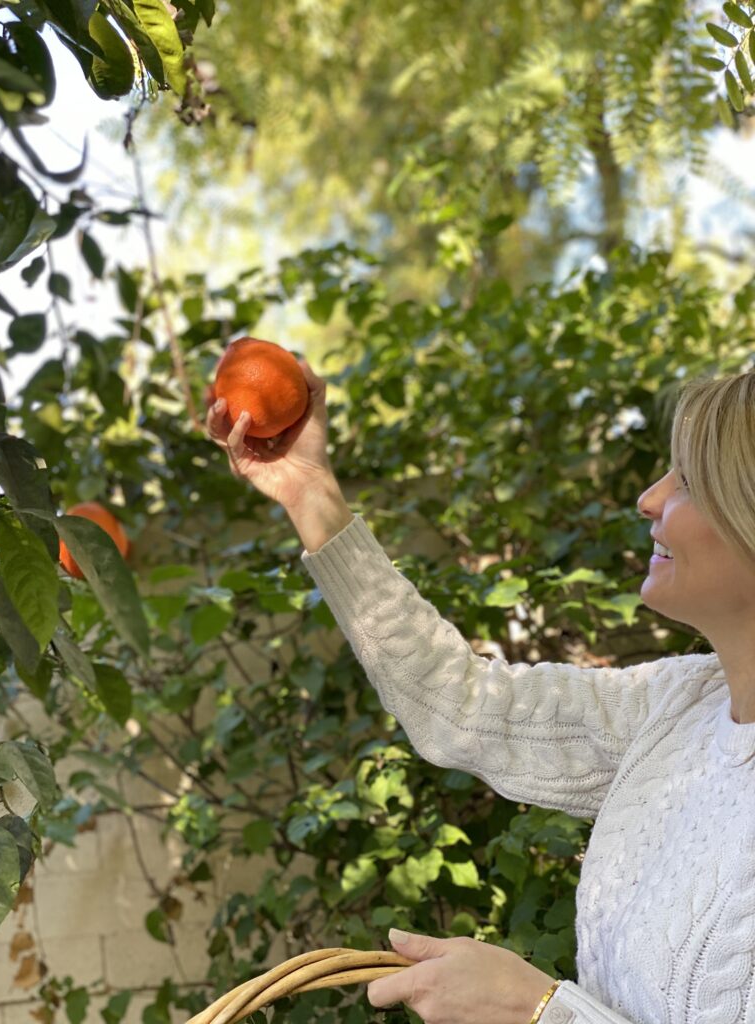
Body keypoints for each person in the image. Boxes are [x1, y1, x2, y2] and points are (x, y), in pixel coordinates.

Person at [207, 364, 755, 1024]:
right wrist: (308, 491)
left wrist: (535, 1008)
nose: (648, 497)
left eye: (689, 480)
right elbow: (461, 705)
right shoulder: (676, 709)